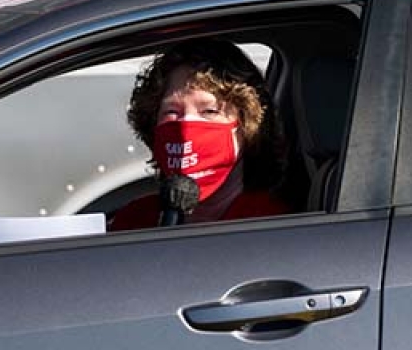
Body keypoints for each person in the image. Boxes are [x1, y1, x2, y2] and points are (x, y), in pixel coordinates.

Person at [108, 38, 291, 230]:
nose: (186, 127)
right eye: (172, 112)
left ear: (245, 125)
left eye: (209, 111)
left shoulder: (270, 225)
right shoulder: (134, 219)